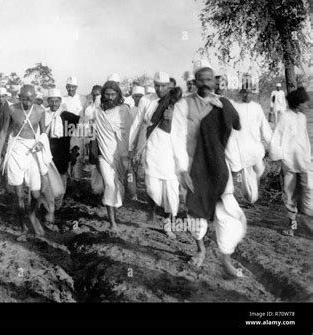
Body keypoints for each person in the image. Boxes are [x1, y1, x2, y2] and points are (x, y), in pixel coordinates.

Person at [171, 60, 246, 278]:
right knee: (196, 212)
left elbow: (231, 138)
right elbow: (176, 138)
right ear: (194, 82)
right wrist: (183, 170)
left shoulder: (222, 105)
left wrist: (237, 167)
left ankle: (226, 260)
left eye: (209, 79)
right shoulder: (183, 106)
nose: (205, 84)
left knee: (227, 212)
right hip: (192, 166)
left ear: (215, 81)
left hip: (218, 166)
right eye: (201, 80)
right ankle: (201, 249)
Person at [129, 72, 182, 238]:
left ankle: (168, 224)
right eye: (157, 85)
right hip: (152, 149)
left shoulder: (177, 102)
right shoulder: (146, 100)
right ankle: (154, 208)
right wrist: (132, 147)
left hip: (172, 151)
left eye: (164, 86)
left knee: (171, 191)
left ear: (169, 86)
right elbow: (137, 123)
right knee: (153, 189)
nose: (160, 89)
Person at [0, 85, 50, 236]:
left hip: (33, 151)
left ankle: (32, 215)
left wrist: (40, 143)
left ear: (35, 97)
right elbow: (4, 131)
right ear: (19, 97)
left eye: (31, 99)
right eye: (24, 98)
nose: (27, 102)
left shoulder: (40, 111)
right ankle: (22, 225)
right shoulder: (11, 109)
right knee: (19, 195)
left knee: (36, 194)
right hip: (16, 150)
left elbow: (44, 133)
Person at [269, 87, 313, 236]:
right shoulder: (284, 117)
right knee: (289, 195)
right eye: (304, 103)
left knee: (308, 194)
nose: (306, 106)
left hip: (304, 162)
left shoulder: (302, 118)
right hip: (290, 164)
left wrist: (308, 157)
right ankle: (292, 227)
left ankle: (308, 226)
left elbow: (305, 139)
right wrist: (281, 159)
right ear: (298, 103)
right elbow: (276, 139)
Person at [94, 81, 131, 234]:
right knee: (110, 185)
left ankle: (114, 212)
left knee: (119, 188)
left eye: (113, 95)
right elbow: (92, 132)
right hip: (104, 156)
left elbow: (128, 135)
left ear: (118, 95)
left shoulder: (123, 110)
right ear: (103, 95)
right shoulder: (97, 111)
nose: (110, 98)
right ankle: (112, 224)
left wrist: (126, 156)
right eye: (107, 95)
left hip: (120, 155)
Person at [227, 88, 272, 204]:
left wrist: (272, 145)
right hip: (240, 148)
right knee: (249, 189)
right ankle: (250, 196)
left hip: (255, 148)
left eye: (250, 92)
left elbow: (265, 128)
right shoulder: (235, 106)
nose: (247, 95)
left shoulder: (257, 107)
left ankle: (253, 189)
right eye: (245, 92)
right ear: (241, 93)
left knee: (259, 170)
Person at [45, 88, 80, 210]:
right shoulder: (44, 114)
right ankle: (49, 206)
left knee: (61, 178)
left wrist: (75, 147)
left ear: (60, 101)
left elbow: (82, 126)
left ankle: (57, 206)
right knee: (48, 179)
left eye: (56, 101)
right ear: (48, 101)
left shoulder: (66, 115)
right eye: (51, 101)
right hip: (47, 149)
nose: (54, 104)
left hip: (62, 149)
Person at [61, 76, 87, 195]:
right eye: (68, 87)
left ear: (76, 87)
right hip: (66, 130)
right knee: (66, 157)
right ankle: (65, 185)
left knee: (78, 157)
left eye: (73, 87)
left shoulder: (83, 99)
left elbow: (86, 116)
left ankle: (77, 184)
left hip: (79, 131)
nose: (70, 89)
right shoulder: (62, 99)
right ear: (66, 87)